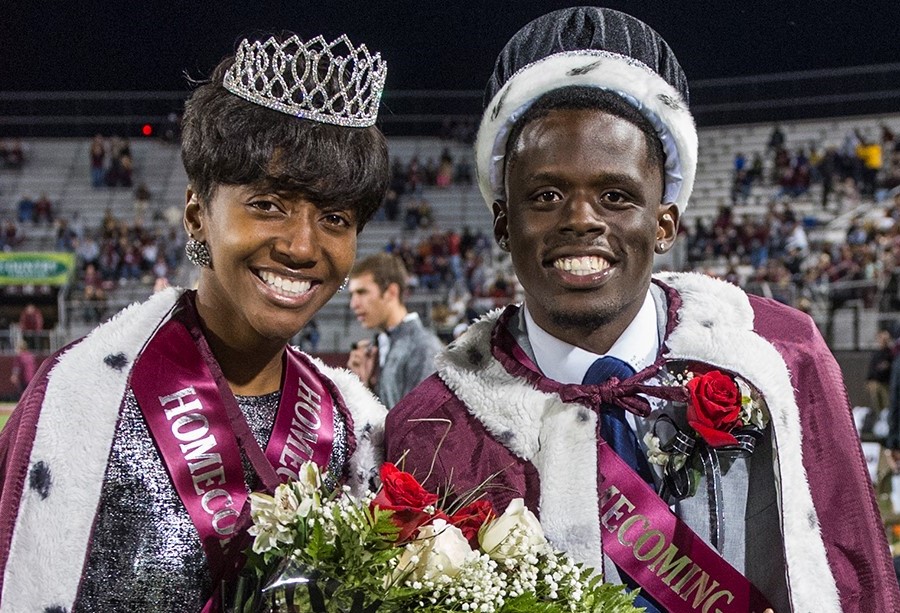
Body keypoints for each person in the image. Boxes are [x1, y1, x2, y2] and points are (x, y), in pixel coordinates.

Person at [385, 7, 898, 613]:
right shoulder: (434, 427)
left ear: (664, 222)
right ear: (503, 221)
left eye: (616, 195)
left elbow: (857, 578)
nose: (581, 220)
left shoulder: (780, 358)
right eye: (545, 195)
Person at [0, 31, 389, 611]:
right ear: (197, 215)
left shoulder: (355, 431)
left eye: (335, 217)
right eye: (268, 204)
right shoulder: (78, 399)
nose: (303, 246)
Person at [347, 252, 444, 409]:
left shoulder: (424, 347)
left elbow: (419, 428)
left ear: (391, 292)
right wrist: (363, 385)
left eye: (362, 292)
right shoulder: (379, 345)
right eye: (352, 295)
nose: (354, 304)